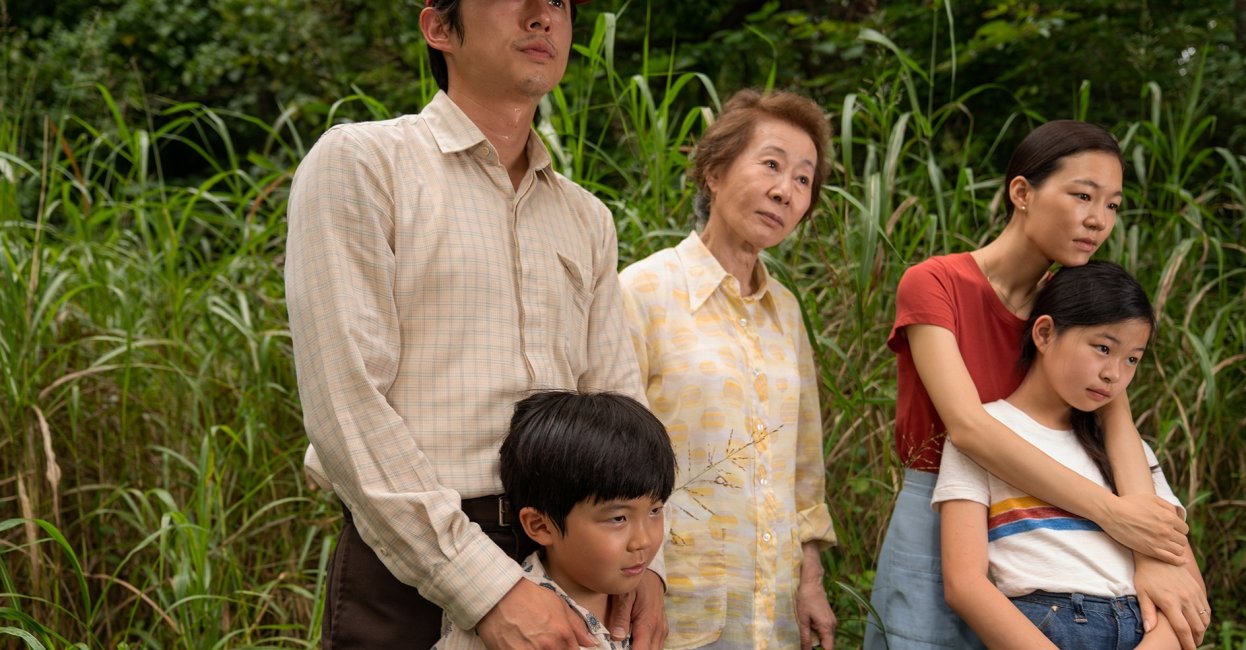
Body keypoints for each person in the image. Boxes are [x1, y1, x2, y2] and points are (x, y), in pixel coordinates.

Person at [284, 1, 666, 648]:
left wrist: (647, 568)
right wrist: (485, 588)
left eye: (562, 3)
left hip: (571, 553)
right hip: (407, 564)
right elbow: (346, 405)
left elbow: (617, 405)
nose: (545, 15)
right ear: (439, 28)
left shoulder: (585, 217)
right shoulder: (364, 164)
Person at [863, 120, 1210, 650]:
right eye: (1082, 196)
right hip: (944, 508)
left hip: (1040, 530)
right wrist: (1113, 514)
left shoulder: (1070, 306)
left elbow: (1117, 425)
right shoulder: (936, 283)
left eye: (1113, 205)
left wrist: (1150, 554)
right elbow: (970, 428)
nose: (1098, 220)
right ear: (1022, 192)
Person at [619, 88, 837, 650]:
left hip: (776, 612)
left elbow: (804, 467)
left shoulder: (785, 310)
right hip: (675, 608)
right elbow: (610, 462)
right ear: (714, 172)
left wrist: (810, 579)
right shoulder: (643, 291)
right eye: (770, 164)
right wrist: (635, 579)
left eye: (803, 180)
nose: (784, 191)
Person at [936, 261, 1206, 649]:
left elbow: (1187, 592)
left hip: (1141, 631)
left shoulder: (1128, 453)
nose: (1115, 374)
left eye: (1132, 359)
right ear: (1044, 333)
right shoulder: (987, 435)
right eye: (1103, 348)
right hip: (1047, 630)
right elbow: (964, 584)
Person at [434, 390, 677, 650]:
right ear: (541, 525)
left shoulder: (632, 603)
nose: (643, 540)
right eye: (618, 518)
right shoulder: (510, 631)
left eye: (655, 511)